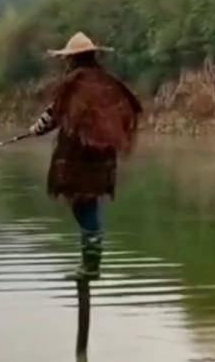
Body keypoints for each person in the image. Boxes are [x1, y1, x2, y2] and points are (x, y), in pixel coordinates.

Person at [28, 32, 142, 280]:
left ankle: (90, 267)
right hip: (103, 158)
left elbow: (54, 113)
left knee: (84, 208)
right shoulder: (106, 83)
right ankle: (90, 265)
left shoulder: (74, 84)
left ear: (73, 59)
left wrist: (36, 130)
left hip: (79, 160)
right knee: (88, 206)